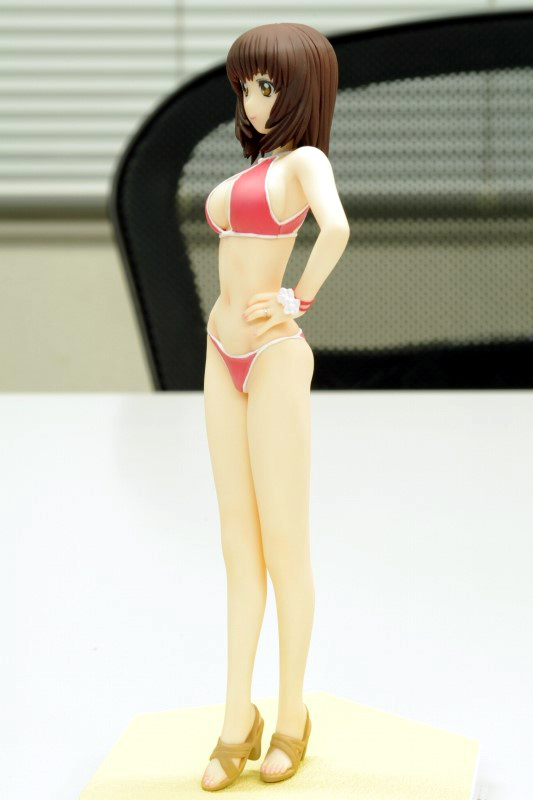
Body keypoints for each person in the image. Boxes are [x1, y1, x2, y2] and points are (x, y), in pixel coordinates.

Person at [201, 21, 350, 791]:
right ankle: (237, 718)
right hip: (218, 349)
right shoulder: (257, 166)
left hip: (272, 357)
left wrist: (299, 296)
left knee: (284, 544)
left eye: (267, 86)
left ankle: (291, 715)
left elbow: (338, 227)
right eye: (246, 87)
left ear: (300, 91)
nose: (254, 102)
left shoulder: (305, 163)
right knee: (237, 544)